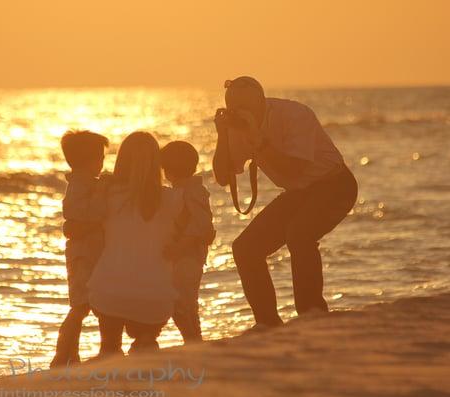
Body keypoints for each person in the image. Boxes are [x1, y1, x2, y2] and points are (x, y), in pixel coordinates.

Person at [212, 76, 358, 328]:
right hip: (299, 193)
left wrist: (259, 141)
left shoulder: (294, 114)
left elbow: (294, 169)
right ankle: (267, 323)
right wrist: (222, 136)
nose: (242, 113)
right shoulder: (237, 128)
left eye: (246, 107)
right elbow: (223, 177)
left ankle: (312, 315)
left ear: (262, 102)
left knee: (299, 235)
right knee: (245, 248)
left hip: (334, 184)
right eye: (236, 108)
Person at [87, 131, 183, 356]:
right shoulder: (172, 199)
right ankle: (146, 340)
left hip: (109, 295)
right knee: (146, 337)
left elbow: (87, 221)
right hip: (155, 300)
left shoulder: (108, 196)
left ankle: (109, 350)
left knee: (109, 349)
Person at [51, 130, 109, 367]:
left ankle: (72, 355)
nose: (102, 164)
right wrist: (103, 189)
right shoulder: (79, 186)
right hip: (83, 254)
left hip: (90, 252)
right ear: (90, 161)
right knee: (81, 306)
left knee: (91, 304)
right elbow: (91, 214)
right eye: (101, 159)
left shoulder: (84, 183)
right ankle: (62, 355)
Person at [160, 141, 215, 344]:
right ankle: (193, 340)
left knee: (182, 303)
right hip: (183, 256)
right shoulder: (179, 191)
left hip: (189, 256)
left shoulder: (192, 192)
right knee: (183, 302)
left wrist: (179, 247)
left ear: (168, 170)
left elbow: (201, 227)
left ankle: (193, 340)